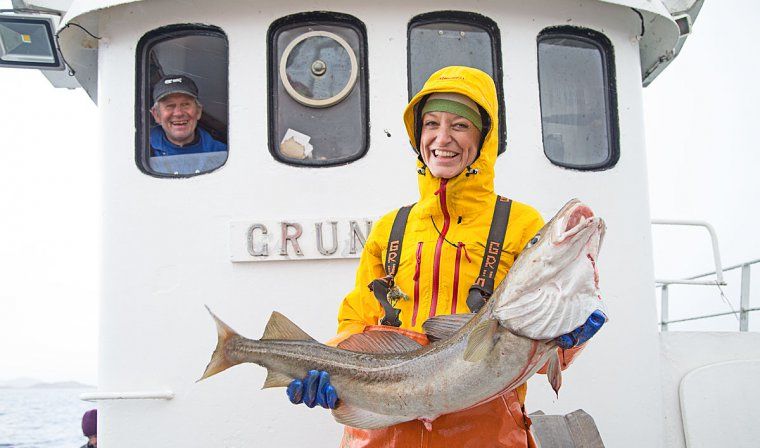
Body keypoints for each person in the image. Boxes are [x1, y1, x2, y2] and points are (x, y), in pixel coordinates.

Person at [286, 66, 605, 447]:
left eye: (460, 125)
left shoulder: (521, 223)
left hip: (486, 437)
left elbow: (539, 343)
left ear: (483, 137)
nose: (442, 138)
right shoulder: (390, 227)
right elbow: (356, 321)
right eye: (431, 124)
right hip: (381, 436)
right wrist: (331, 373)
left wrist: (568, 339)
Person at [149, 74, 227, 157]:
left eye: (185, 104)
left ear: (198, 111)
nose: (178, 113)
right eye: (170, 106)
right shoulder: (140, 153)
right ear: (156, 115)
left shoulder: (223, 154)